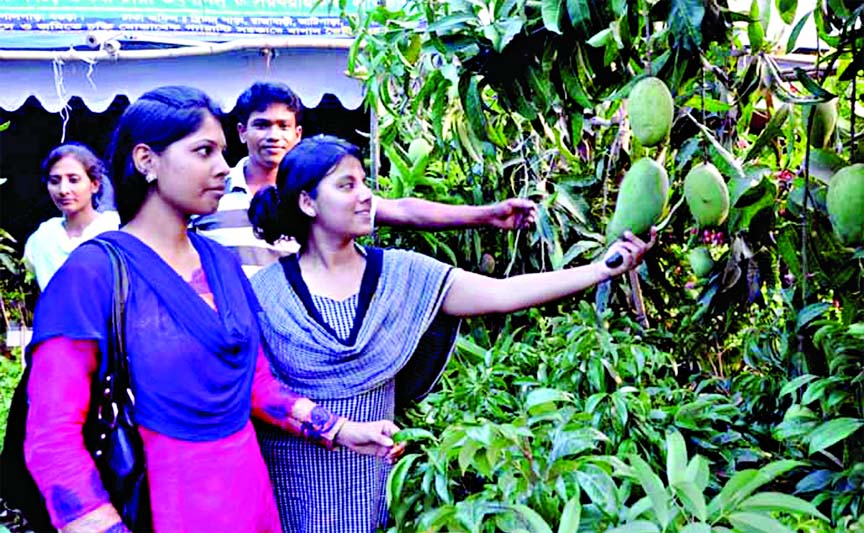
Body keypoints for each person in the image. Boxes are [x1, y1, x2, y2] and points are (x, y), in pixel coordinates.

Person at [23, 88, 402, 533]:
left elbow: (257, 385)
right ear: (146, 160)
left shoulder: (220, 263)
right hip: (162, 506)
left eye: (222, 151)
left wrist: (339, 430)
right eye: (204, 151)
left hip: (248, 496)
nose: (224, 167)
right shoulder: (91, 275)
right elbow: (52, 437)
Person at [248, 135, 657, 532]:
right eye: (347, 185)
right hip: (289, 489)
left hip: (370, 490)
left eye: (365, 182)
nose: (367, 195)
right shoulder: (264, 293)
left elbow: (502, 294)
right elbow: (254, 392)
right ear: (307, 202)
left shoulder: (401, 274)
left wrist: (600, 270)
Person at [191, 81, 537, 277]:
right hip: (230, 350)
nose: (273, 135)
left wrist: (488, 215)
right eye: (261, 125)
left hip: (299, 343)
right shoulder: (209, 193)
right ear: (241, 132)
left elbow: (404, 212)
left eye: (283, 126)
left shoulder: (319, 195)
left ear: (297, 134)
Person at [23, 143, 120, 290]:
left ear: (94, 184)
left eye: (73, 180)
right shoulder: (42, 238)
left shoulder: (116, 230)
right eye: (55, 181)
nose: (63, 190)